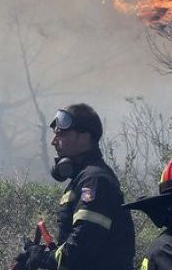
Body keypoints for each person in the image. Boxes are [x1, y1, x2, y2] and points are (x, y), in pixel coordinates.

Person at [15, 104, 136, 270]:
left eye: (61, 134)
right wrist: (39, 256)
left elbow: (83, 244)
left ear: (85, 138)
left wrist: (44, 259)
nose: (53, 142)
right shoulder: (82, 180)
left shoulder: (95, 180)